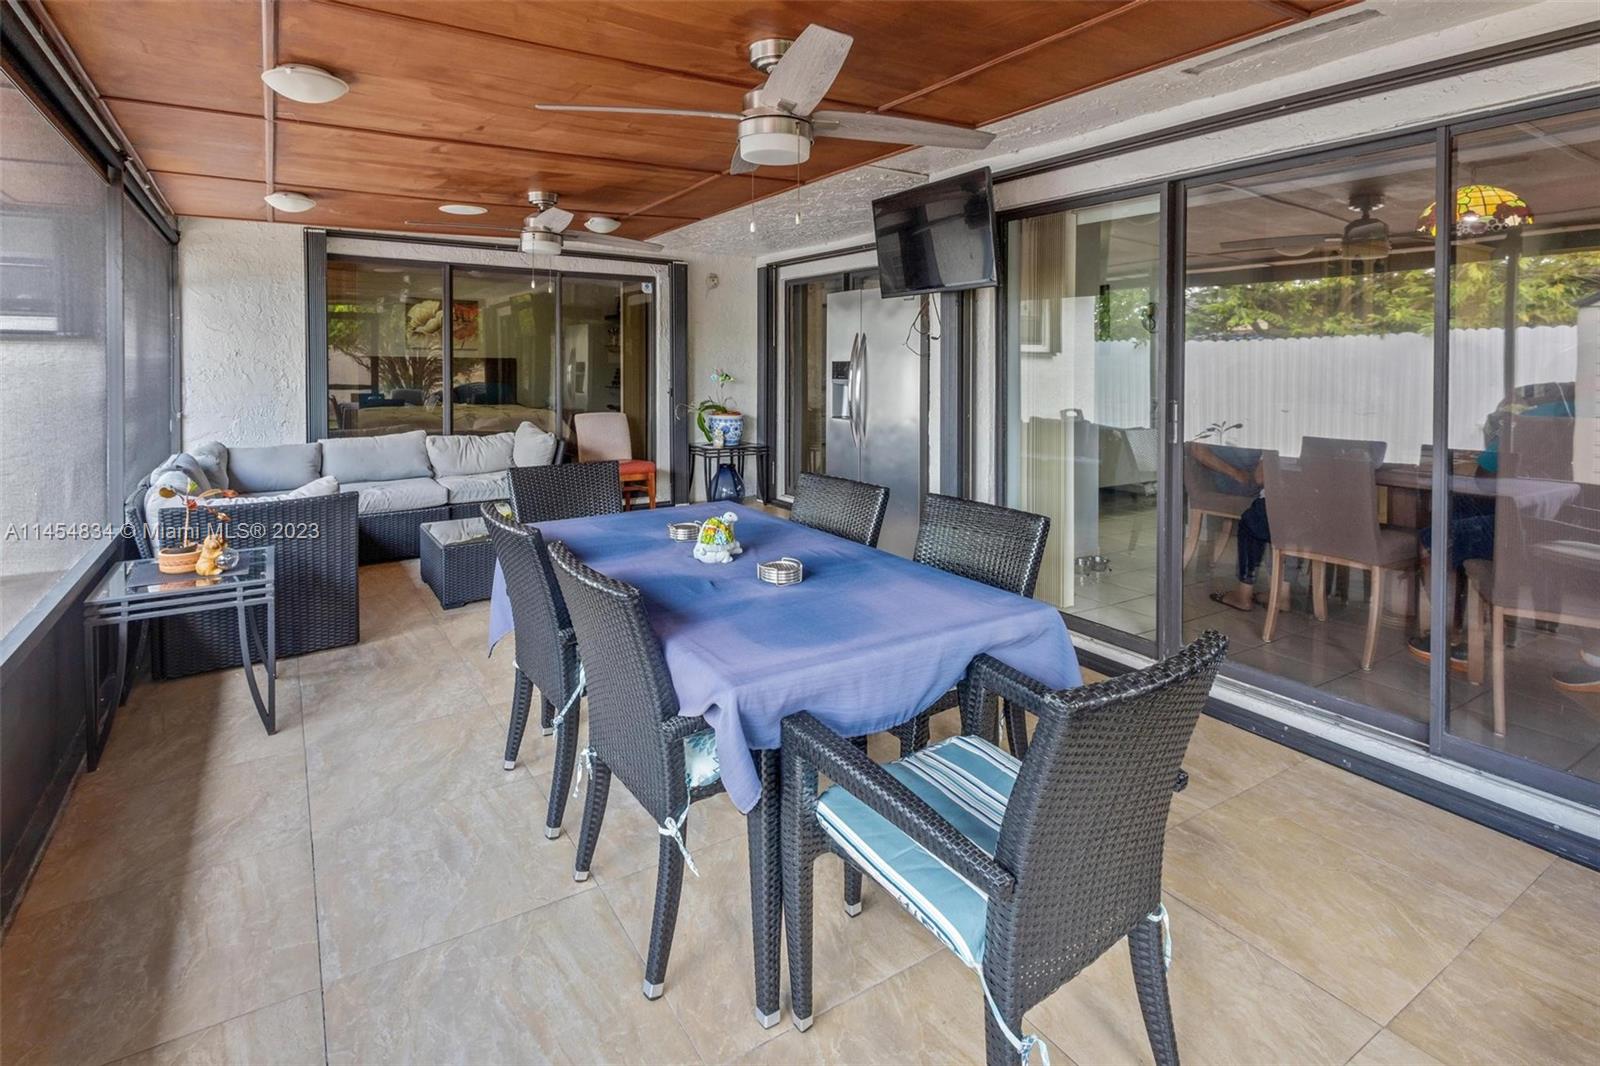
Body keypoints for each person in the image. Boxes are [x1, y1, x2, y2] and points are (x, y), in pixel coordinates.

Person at [1191, 444, 1271, 612]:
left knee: (1276, 511)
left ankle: (1251, 592)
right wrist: (1237, 474)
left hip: (1260, 482)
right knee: (1271, 514)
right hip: (1240, 481)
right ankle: (1278, 593)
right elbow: (1197, 449)